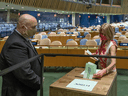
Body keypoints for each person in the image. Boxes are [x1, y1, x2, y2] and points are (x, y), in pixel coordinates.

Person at [0, 14, 41, 96]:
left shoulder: (23, 38)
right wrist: (38, 82)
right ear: (23, 27)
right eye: (33, 27)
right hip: (18, 91)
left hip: (25, 88)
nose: (36, 30)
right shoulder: (15, 44)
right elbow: (24, 72)